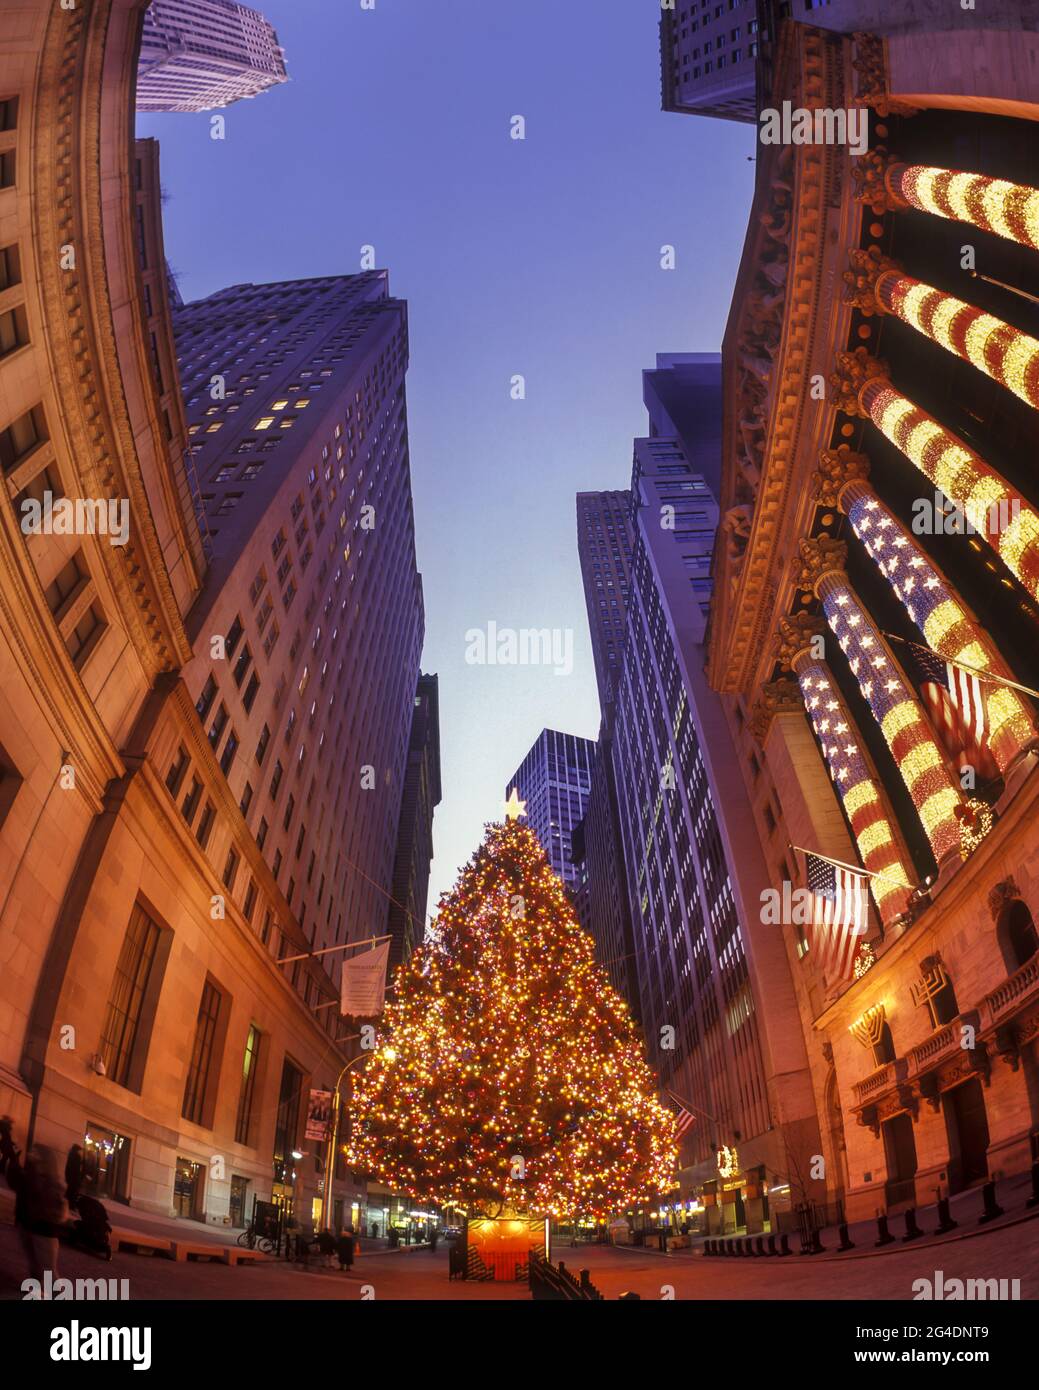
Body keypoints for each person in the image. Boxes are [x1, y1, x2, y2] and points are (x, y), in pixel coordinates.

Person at [12, 1146, 67, 1283]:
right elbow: (15, 1182)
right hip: (27, 1225)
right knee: (34, 1264)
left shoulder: (53, 1183)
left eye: (37, 1155)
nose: (32, 1156)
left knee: (48, 1268)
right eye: (32, 1153)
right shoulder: (30, 1176)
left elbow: (54, 1210)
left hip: (44, 1231)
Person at [65, 1144, 85, 1209]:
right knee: (73, 1192)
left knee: (70, 1191)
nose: (80, 1152)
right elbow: (77, 1169)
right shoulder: (77, 1157)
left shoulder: (71, 1155)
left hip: (70, 1177)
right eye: (79, 1150)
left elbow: (68, 1167)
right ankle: (71, 1205)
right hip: (75, 1177)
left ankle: (67, 1203)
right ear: (77, 1150)